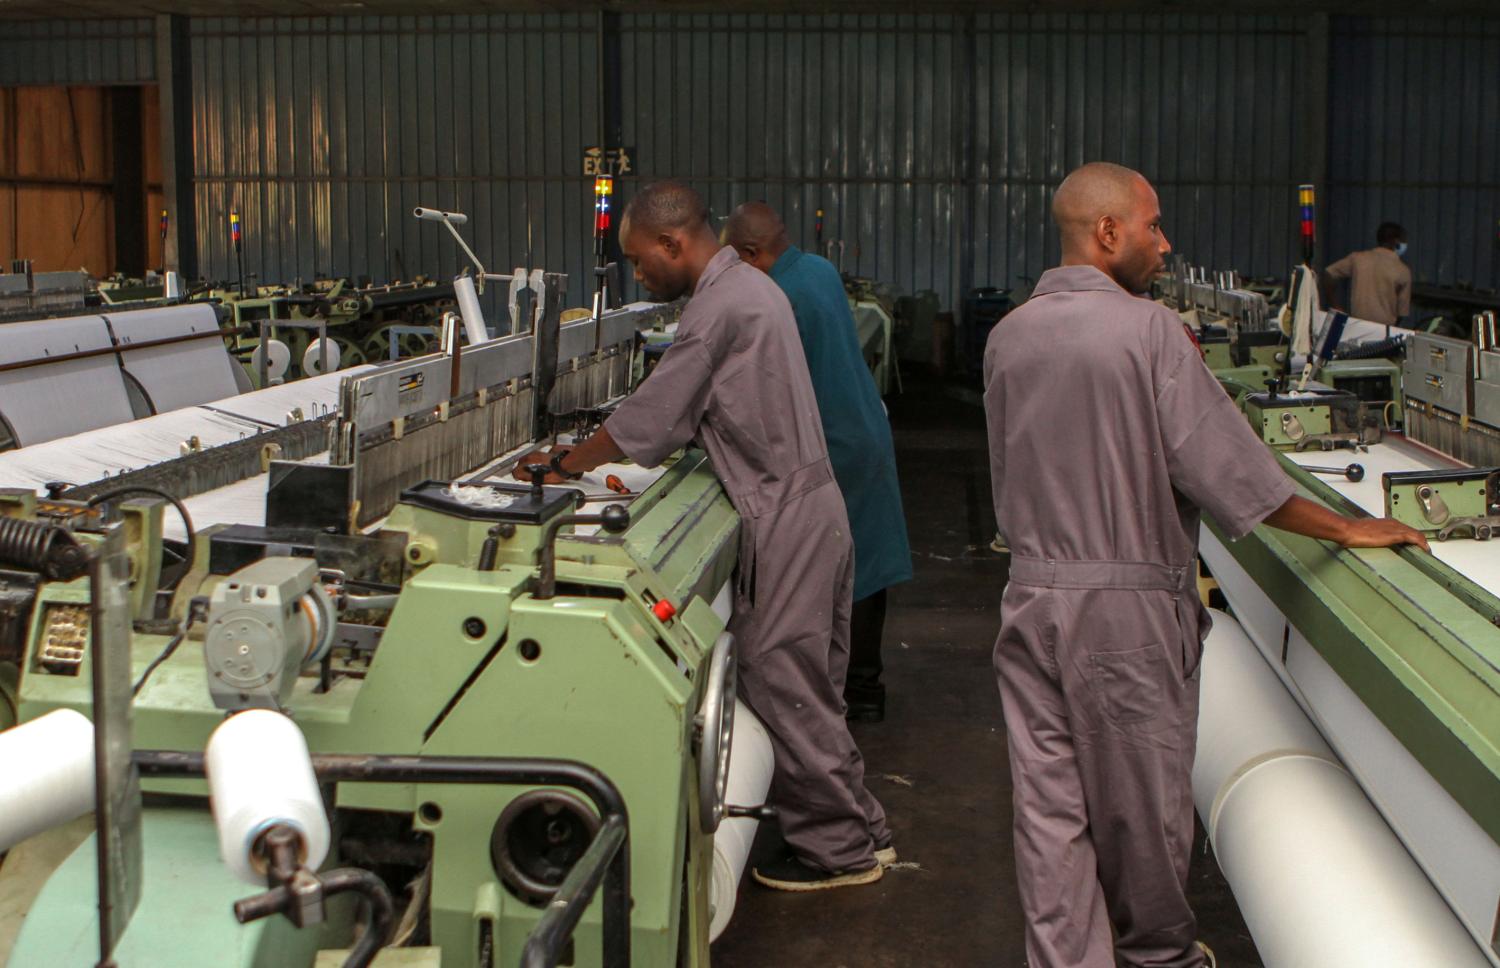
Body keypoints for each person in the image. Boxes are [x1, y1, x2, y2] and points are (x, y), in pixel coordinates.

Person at [983, 161, 1427, 968]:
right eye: (1154, 225)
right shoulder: (1149, 333)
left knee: (1049, 817)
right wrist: (1342, 527)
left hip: (1030, 603)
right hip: (1123, 620)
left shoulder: (1008, 335)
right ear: (1109, 232)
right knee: (1141, 815)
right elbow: (1228, 474)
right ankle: (1159, 958)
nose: (1166, 242)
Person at [514, 181, 893, 890]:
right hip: (810, 505)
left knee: (784, 684)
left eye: (639, 260)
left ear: (672, 242)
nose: (639, 274)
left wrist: (563, 463)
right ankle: (861, 825)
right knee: (812, 683)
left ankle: (838, 851)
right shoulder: (746, 291)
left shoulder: (721, 305)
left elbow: (651, 419)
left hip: (784, 514)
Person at [723, 201, 913, 723]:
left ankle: (847, 691)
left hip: (835, 443)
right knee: (869, 566)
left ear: (751, 253)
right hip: (862, 430)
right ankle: (865, 686)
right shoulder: (819, 271)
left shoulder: (779, 296)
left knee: (844, 571)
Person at [1322, 222, 1412, 325]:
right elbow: (1402, 312)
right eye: (1403, 240)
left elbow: (1328, 274)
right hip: (1385, 330)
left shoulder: (1357, 259)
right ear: (1396, 242)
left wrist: (1336, 307)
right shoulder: (1403, 270)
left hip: (1356, 325)